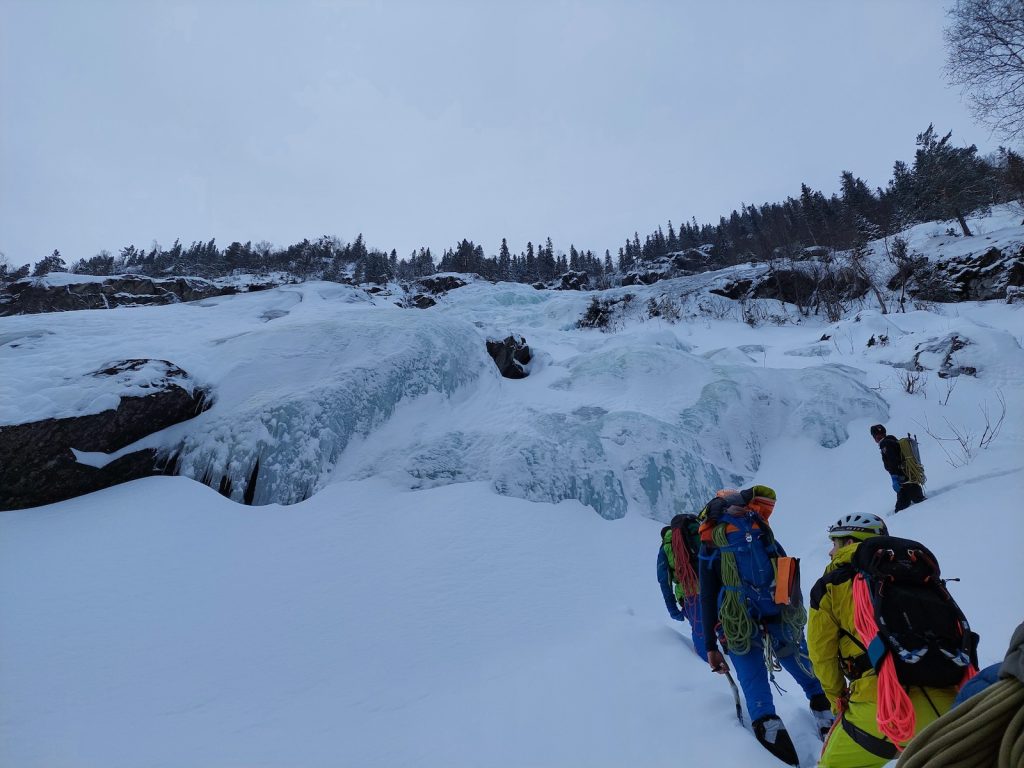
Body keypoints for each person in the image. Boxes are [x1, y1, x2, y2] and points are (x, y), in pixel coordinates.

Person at [808, 513, 958, 768]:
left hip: (883, 707)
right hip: (952, 702)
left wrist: (838, 701)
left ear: (850, 542)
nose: (831, 552)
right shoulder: (919, 578)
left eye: (834, 543)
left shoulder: (830, 585)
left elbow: (821, 653)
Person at [699, 485, 833, 766]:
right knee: (801, 662)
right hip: (778, 613)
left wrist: (710, 645)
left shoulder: (711, 543)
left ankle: (767, 724)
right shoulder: (760, 528)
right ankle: (824, 709)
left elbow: (708, 595)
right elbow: (783, 566)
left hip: (738, 624)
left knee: (753, 679)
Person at [657, 513, 707, 661]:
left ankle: (711, 668)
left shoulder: (666, 548)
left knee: (700, 632)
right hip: (714, 587)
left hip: (690, 595)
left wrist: (672, 608)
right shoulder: (698, 533)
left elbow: (664, 582)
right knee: (723, 625)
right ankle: (733, 658)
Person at [869, 424, 925, 512]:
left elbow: (893, 461)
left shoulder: (885, 444)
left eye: (875, 435)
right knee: (913, 501)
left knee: (905, 507)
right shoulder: (893, 440)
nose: (876, 437)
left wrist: (894, 477)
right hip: (908, 477)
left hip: (903, 479)